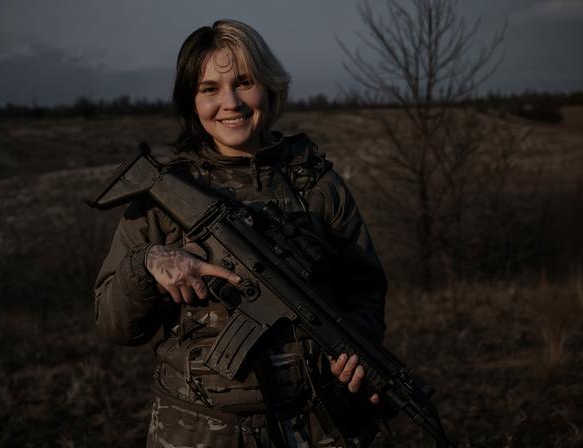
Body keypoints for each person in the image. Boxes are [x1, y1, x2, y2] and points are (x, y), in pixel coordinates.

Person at [94, 19, 388, 447]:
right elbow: (115, 326)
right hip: (198, 432)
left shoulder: (316, 185)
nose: (229, 102)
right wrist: (148, 264)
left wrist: (356, 345)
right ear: (191, 101)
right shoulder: (162, 197)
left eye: (244, 82)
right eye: (209, 88)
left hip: (317, 426)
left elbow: (366, 288)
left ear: (270, 88)